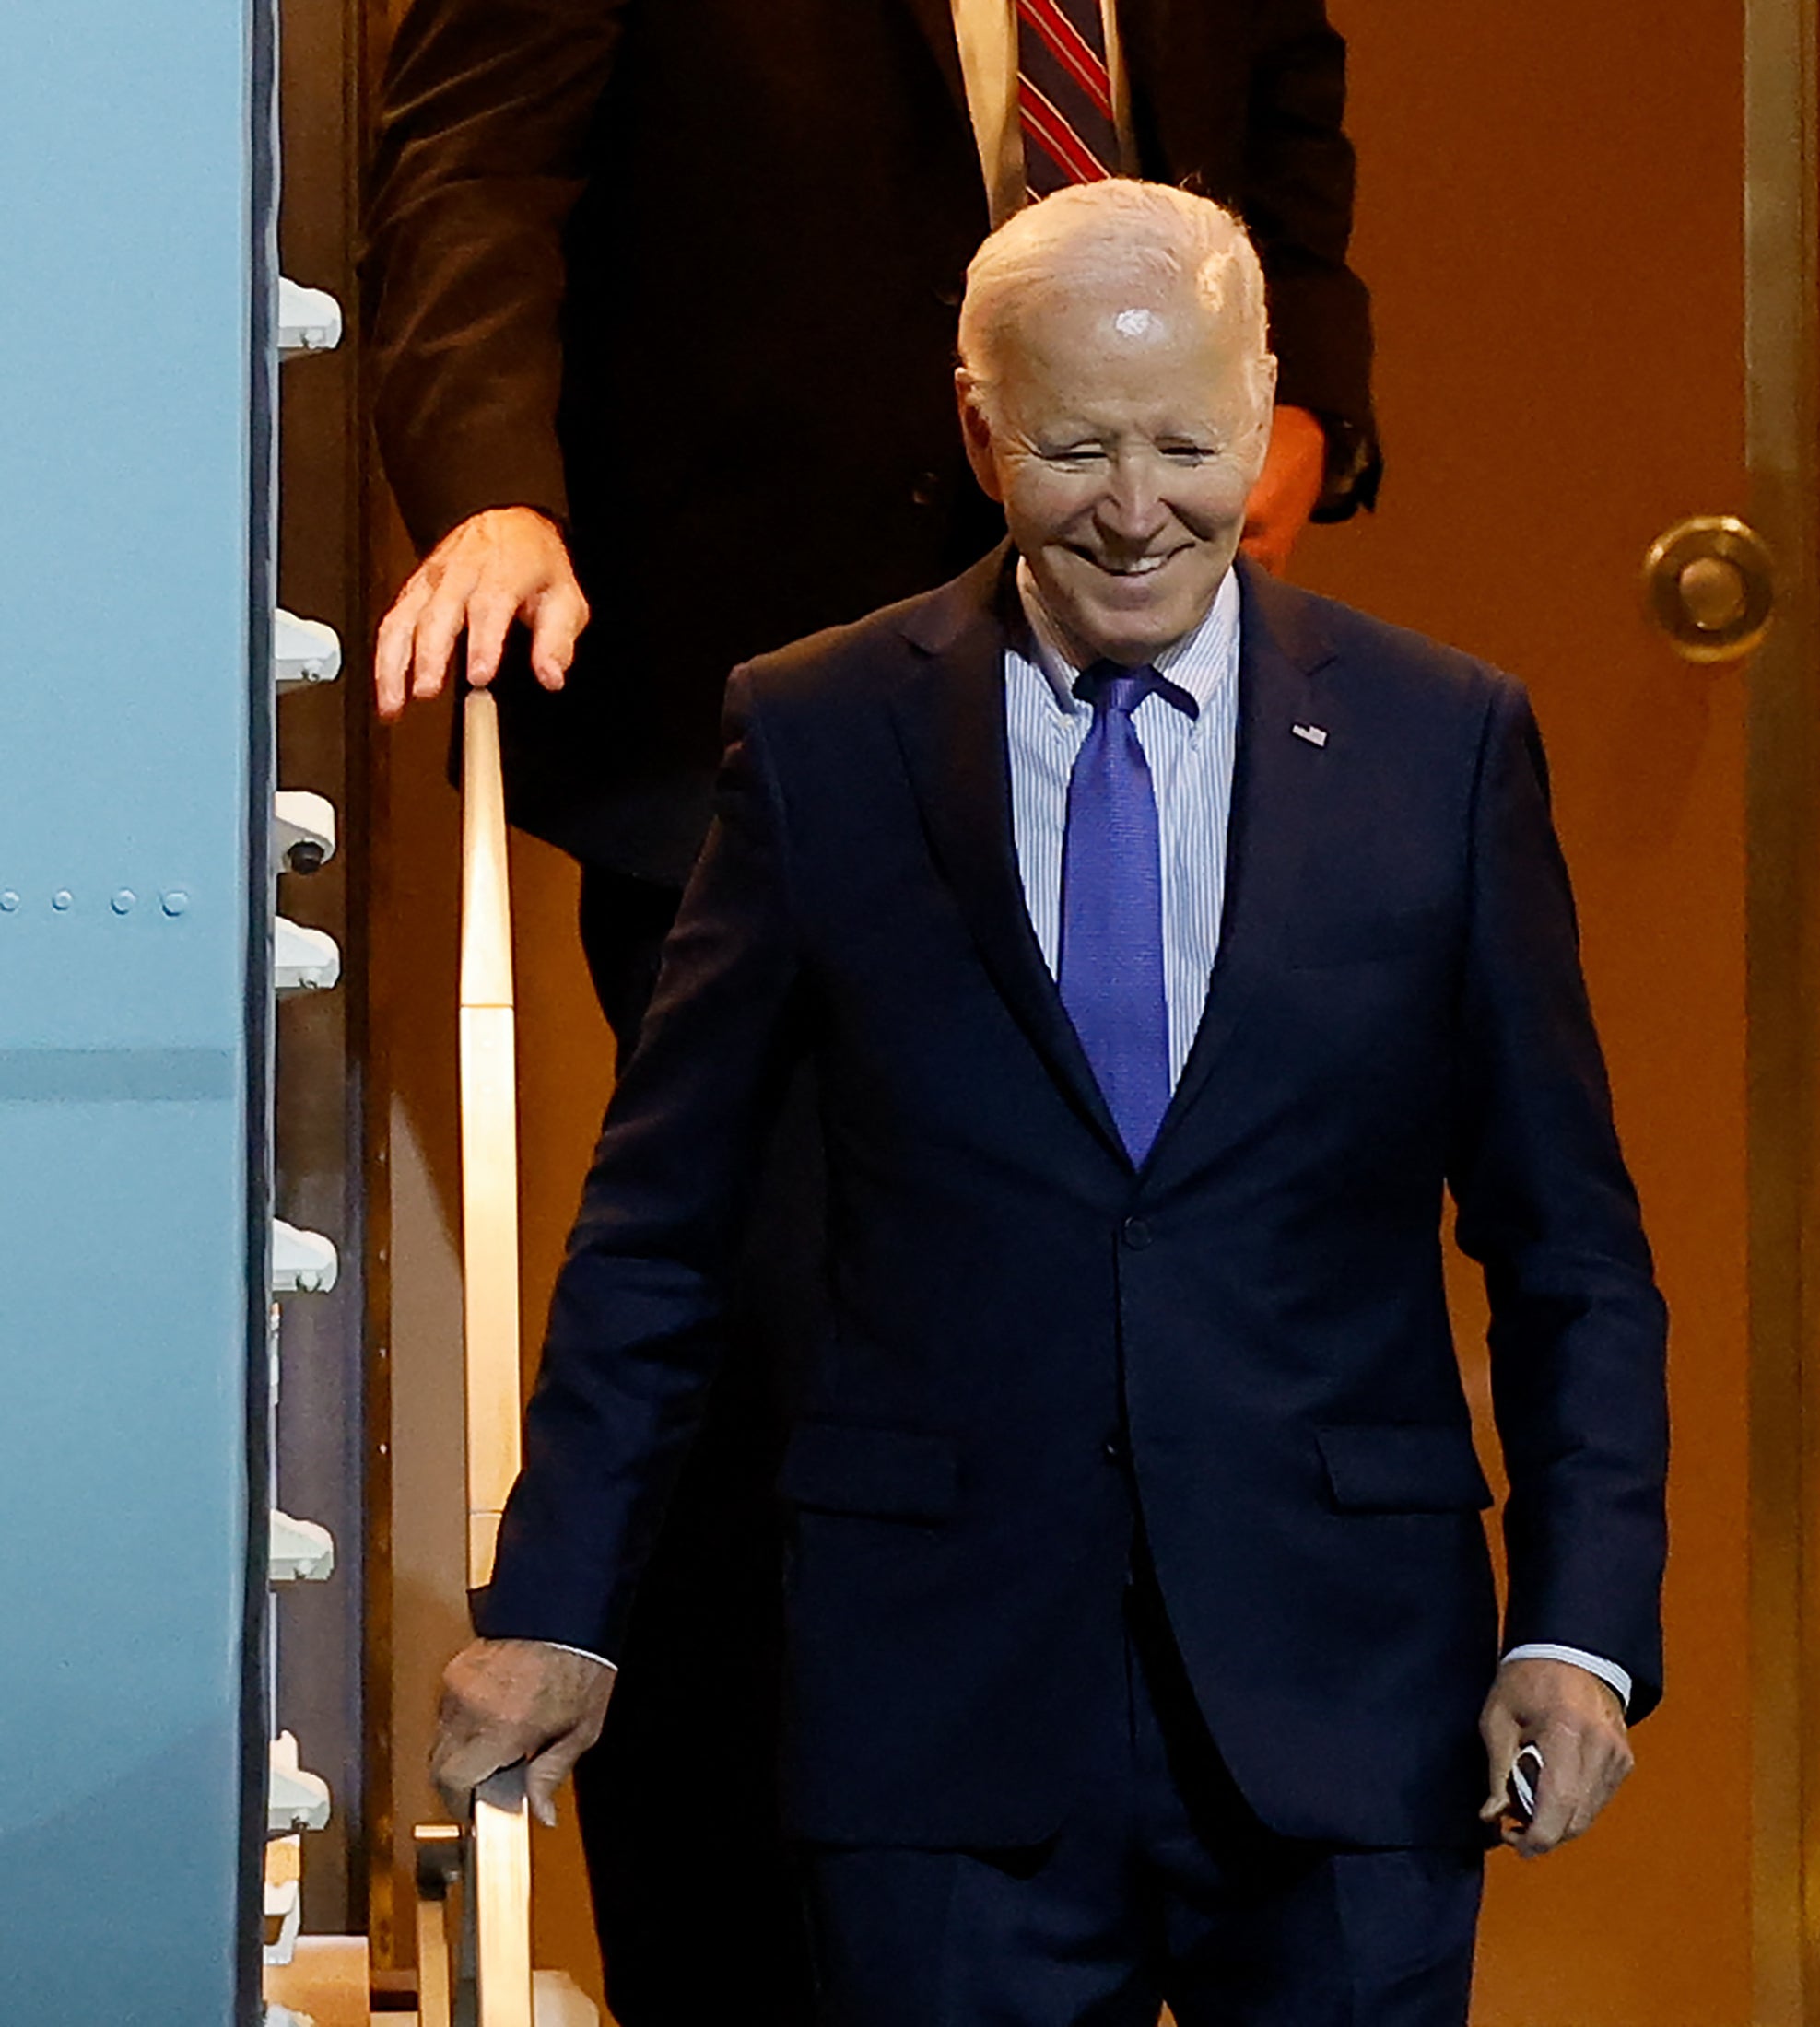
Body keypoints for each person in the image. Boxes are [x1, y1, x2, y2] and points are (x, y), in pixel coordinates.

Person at [429, 182, 1667, 2026]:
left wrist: (1577, 1627)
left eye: (1185, 443)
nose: (1137, 504)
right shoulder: (818, 730)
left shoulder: (1442, 742)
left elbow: (1565, 1239)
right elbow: (662, 1223)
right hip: (937, 1702)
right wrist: (554, 1597)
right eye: (1077, 445)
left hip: (1347, 1692)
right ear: (975, 423)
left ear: (1261, 412)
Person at [360, 6, 1377, 2011]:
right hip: (760, 717)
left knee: (1150, 1352)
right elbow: (475, 172)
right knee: (775, 1383)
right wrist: (493, 486)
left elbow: (1282, 131)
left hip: (1153, 705)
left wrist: (1310, 400)